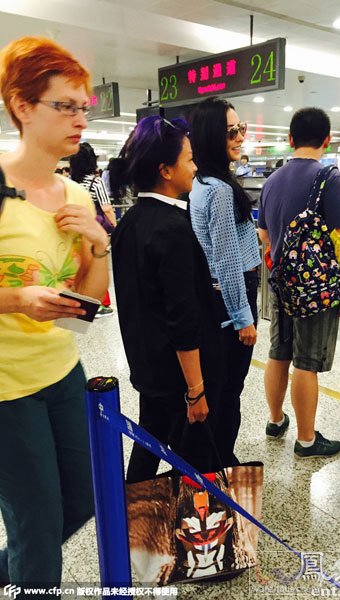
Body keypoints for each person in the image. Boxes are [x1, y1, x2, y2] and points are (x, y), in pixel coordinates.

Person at [0, 36, 109, 591]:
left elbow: (87, 303)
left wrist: (99, 245)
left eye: (83, 107)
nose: (80, 120)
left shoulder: (78, 197)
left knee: (85, 499)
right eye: (65, 106)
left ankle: (12, 565)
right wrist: (19, 299)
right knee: (37, 526)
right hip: (5, 388)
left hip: (62, 371)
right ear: (22, 106)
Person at [111, 116, 222, 482]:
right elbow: (182, 317)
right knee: (197, 465)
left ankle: (130, 510)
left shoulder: (130, 223)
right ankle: (194, 520)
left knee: (149, 444)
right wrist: (196, 390)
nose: (195, 167)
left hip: (149, 367)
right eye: (189, 159)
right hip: (178, 378)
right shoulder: (172, 229)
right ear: (165, 170)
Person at [258, 107, 340, 458]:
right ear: (327, 140)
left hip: (281, 282)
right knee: (306, 361)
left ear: (290, 139)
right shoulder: (329, 177)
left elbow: (264, 235)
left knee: (279, 352)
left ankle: (275, 420)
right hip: (315, 287)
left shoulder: (271, 181)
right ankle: (307, 439)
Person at [189, 96, 260, 466]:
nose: (240, 137)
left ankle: (213, 463)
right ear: (210, 136)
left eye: (240, 128)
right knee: (229, 390)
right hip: (231, 296)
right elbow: (227, 260)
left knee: (221, 387)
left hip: (217, 298)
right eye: (231, 131)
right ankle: (219, 466)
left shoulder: (202, 181)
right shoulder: (218, 189)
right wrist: (242, 317)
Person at [70, 142, 116, 317]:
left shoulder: (70, 181)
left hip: (72, 230)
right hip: (92, 230)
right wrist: (115, 227)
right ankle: (99, 306)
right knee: (96, 265)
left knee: (78, 268)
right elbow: (106, 208)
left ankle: (78, 306)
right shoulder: (95, 182)